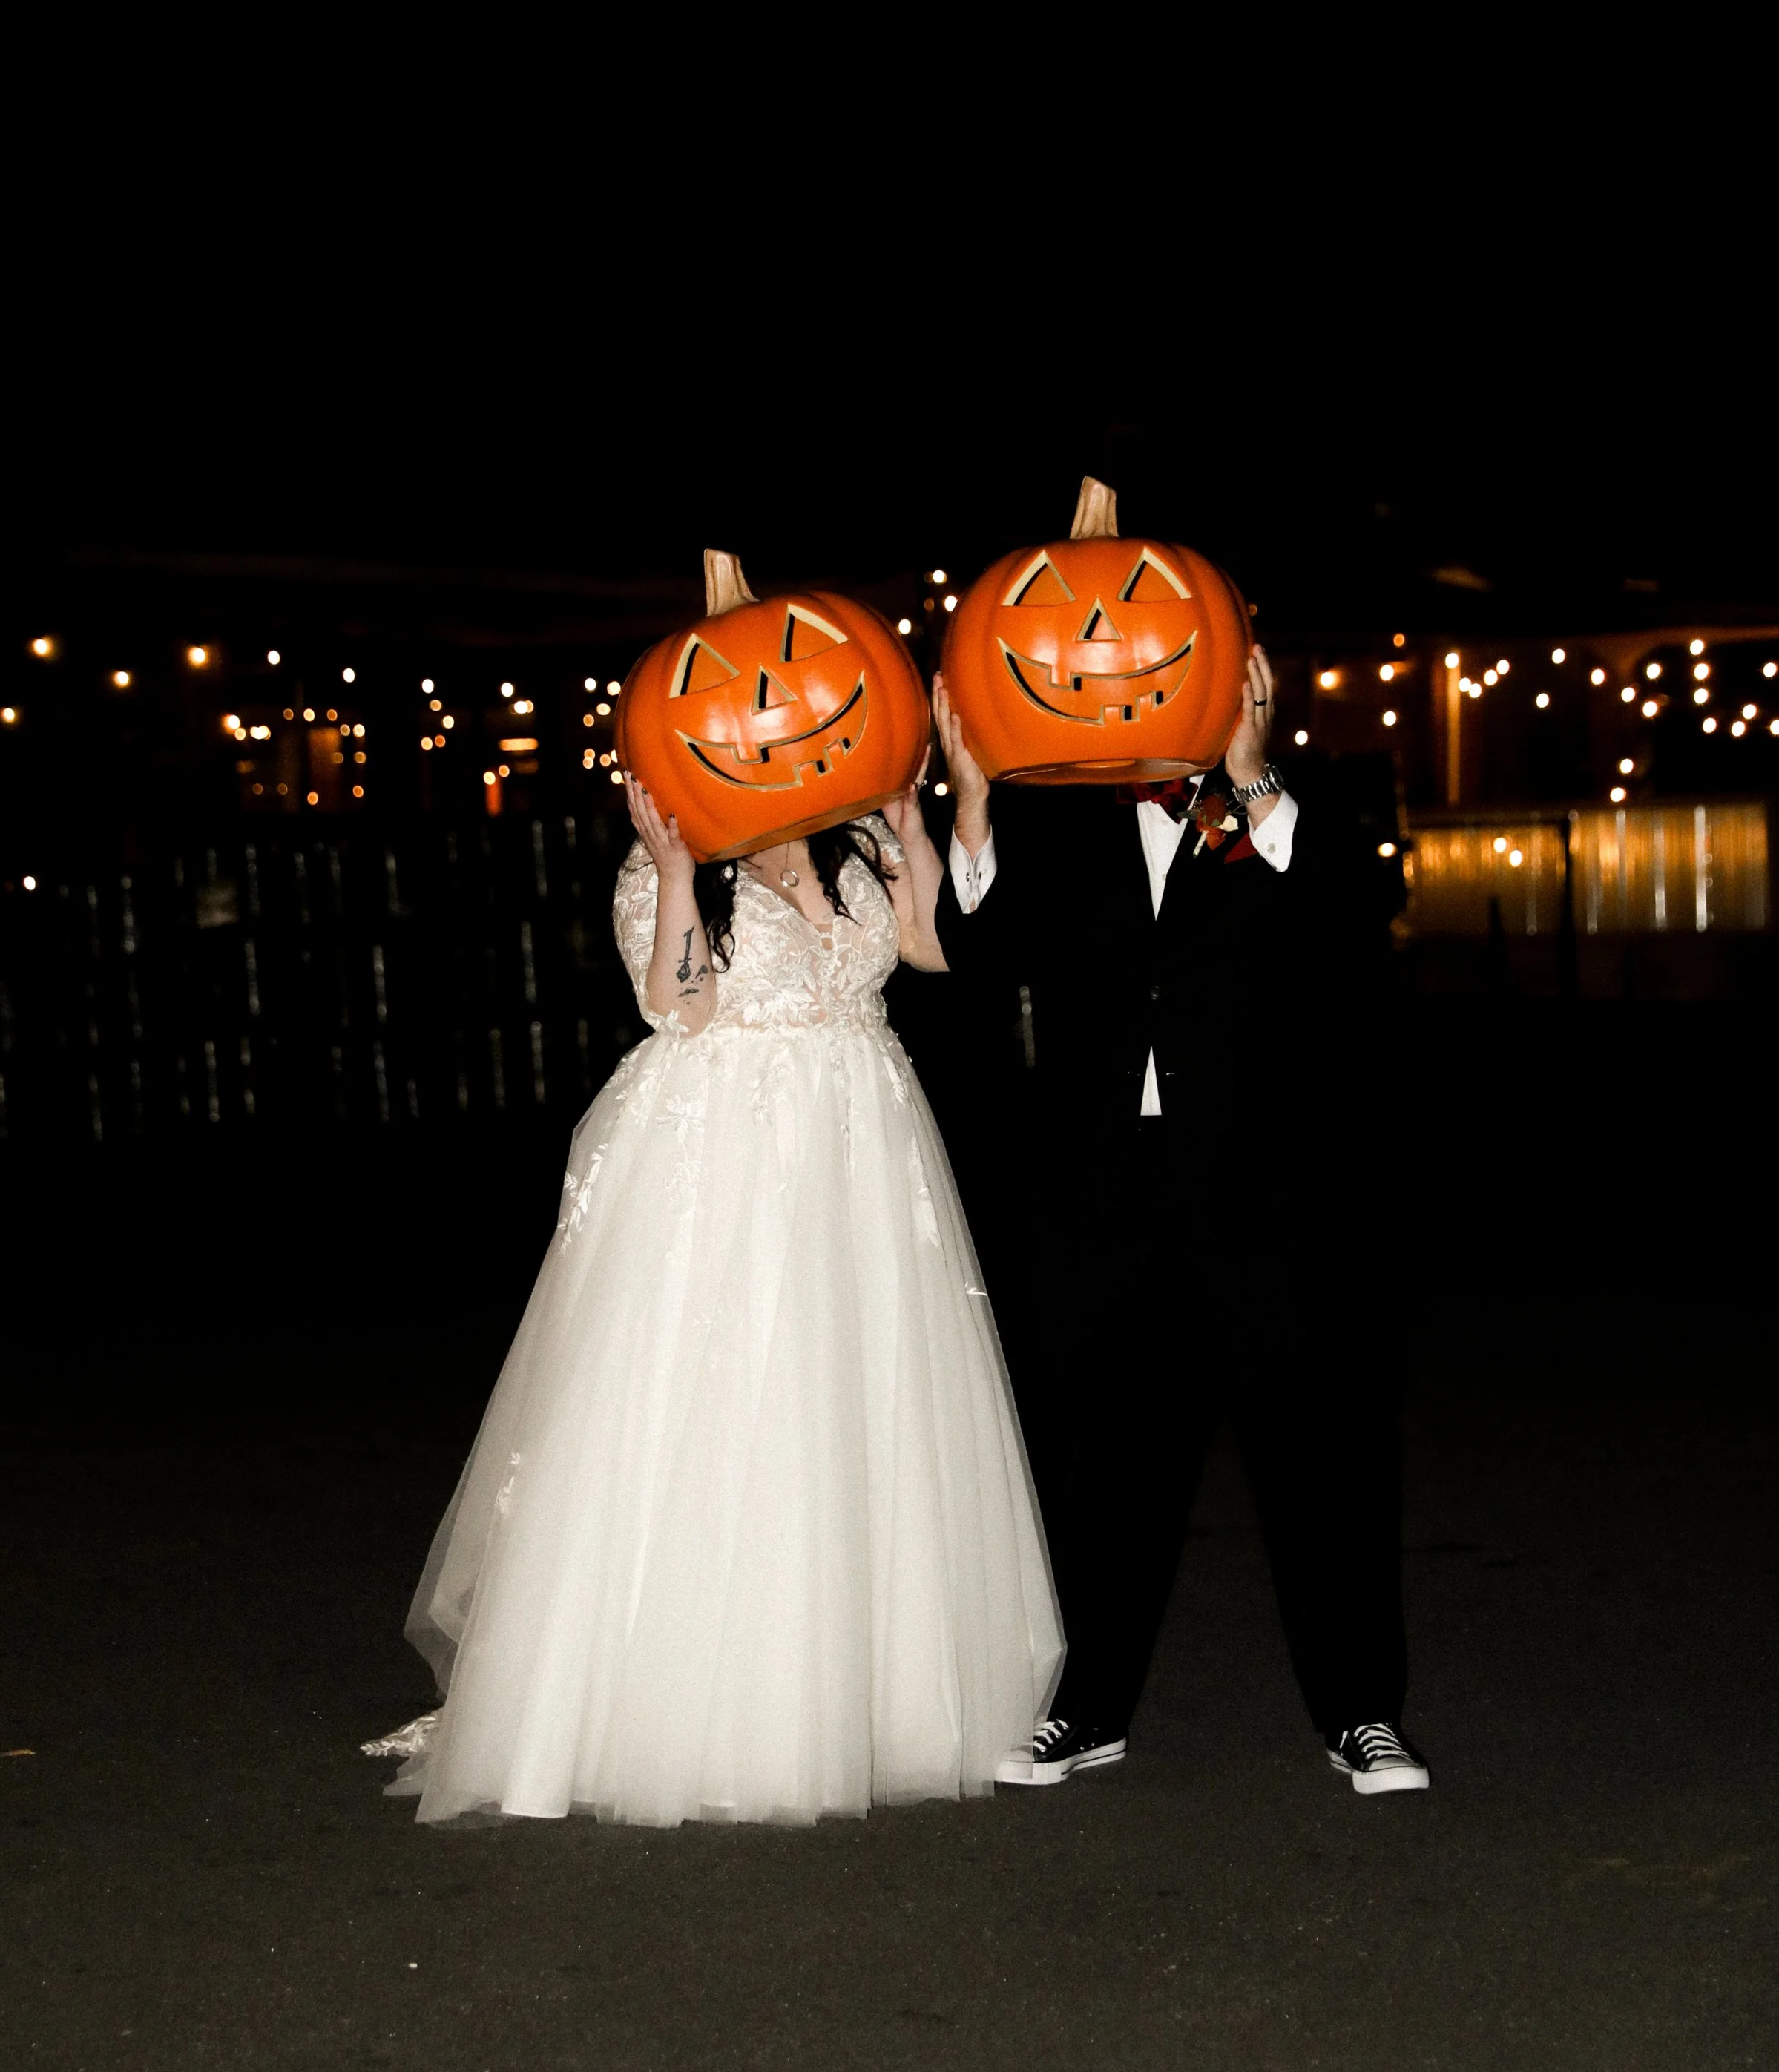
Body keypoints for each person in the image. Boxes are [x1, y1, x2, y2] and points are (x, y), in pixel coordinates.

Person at [364, 757, 1061, 1829]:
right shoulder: (668, 865)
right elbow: (675, 1007)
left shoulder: (859, 845)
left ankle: (873, 1691)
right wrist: (683, 870)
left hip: (859, 1150)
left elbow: (926, 946)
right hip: (732, 1152)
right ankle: (709, 1707)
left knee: (859, 1406)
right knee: (729, 1401)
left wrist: (913, 818)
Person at [930, 640, 1426, 1797]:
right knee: (1102, 1463)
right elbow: (978, 948)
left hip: (1267, 1184)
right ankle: (1086, 1706)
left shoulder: (1282, 808)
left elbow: (1350, 931)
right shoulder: (1060, 818)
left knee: (1318, 1455)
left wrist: (1253, 781)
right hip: (1106, 1185)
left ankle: (1362, 1712)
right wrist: (970, 800)